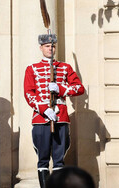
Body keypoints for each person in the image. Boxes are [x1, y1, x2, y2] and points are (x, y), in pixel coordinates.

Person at [23, 34, 84, 188]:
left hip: (60, 117)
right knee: (42, 159)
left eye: (53, 46)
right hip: (41, 118)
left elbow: (79, 88)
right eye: (47, 46)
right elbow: (29, 93)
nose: (51, 49)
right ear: (41, 48)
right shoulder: (32, 69)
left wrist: (61, 88)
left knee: (59, 160)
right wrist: (44, 109)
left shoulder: (65, 67)